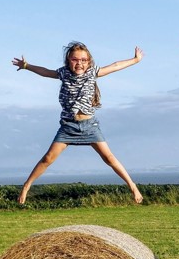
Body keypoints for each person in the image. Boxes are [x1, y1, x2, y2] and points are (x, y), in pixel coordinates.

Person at [12, 41, 144, 205]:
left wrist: (135, 60)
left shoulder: (93, 73)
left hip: (90, 125)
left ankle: (132, 187)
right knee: (47, 158)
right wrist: (26, 65)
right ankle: (26, 186)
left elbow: (116, 65)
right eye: (75, 59)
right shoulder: (63, 73)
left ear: (88, 62)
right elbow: (45, 72)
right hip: (68, 126)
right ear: (68, 60)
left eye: (83, 60)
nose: (79, 63)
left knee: (109, 158)